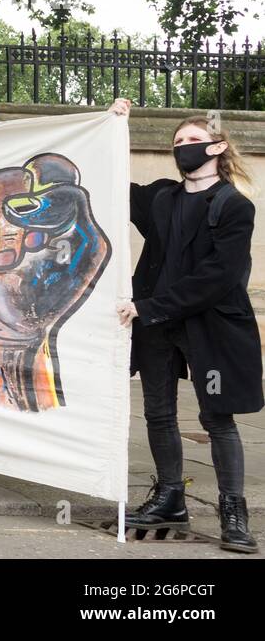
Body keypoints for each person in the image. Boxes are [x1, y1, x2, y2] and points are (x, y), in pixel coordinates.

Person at [110, 98, 261, 554]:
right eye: (177, 143)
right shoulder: (161, 197)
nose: (183, 149)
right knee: (158, 412)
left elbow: (219, 276)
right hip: (157, 326)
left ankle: (233, 511)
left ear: (217, 147)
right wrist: (114, 127)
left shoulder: (234, 206)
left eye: (192, 141)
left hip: (210, 325)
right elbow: (112, 183)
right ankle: (170, 498)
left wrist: (149, 306)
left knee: (218, 418)